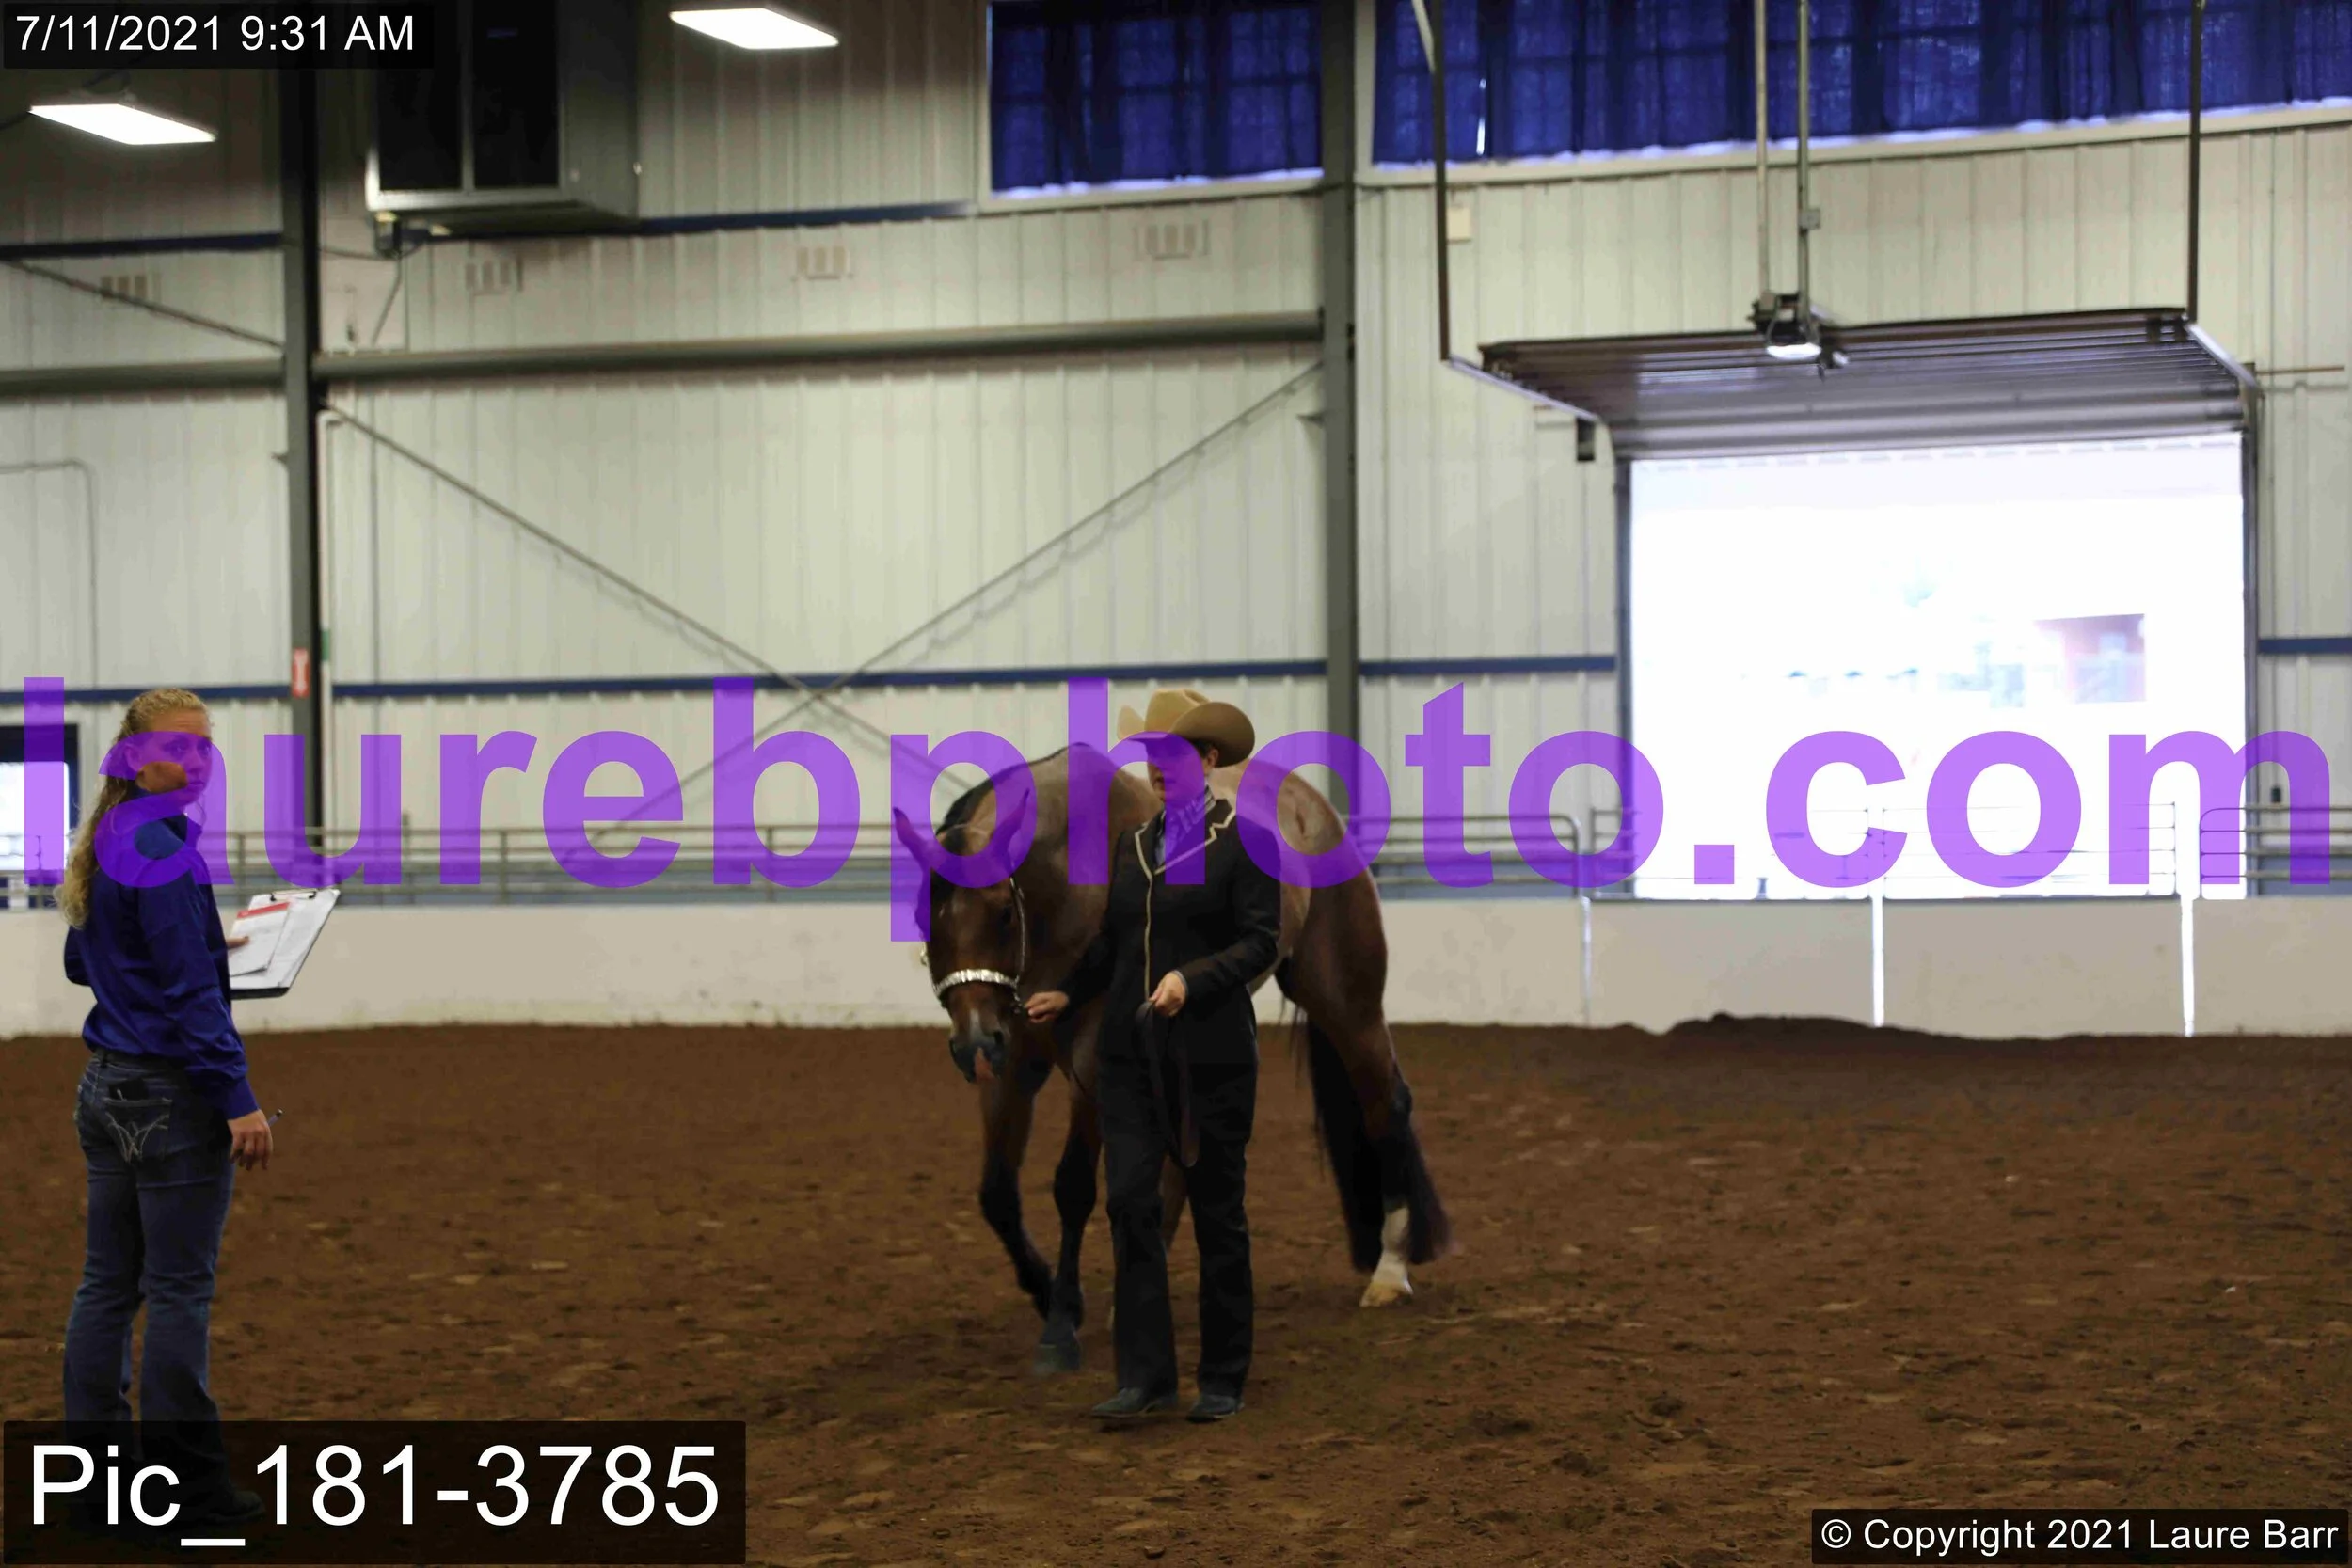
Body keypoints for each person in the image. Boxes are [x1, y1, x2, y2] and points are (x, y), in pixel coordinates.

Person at [1025, 689, 1281, 1424]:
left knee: (1217, 1213)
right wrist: (1069, 991)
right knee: (1131, 1204)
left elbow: (1260, 941)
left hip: (1211, 1056)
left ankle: (1223, 1375)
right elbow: (1113, 942)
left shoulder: (1247, 841)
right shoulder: (1133, 846)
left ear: (1208, 758)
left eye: (1173, 756)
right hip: (1131, 1055)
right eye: (1151, 758)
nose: (1158, 770)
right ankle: (1146, 1376)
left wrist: (1191, 980)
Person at [58, 688, 271, 1524]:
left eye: (202, 747)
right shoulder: (166, 848)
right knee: (179, 1291)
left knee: (106, 1286)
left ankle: (96, 1485)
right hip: (170, 1095)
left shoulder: (110, 836)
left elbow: (85, 961)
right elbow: (190, 998)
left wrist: (200, 938)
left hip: (106, 1087)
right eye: (176, 748)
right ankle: (190, 1489)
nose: (194, 763)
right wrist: (239, 1099)